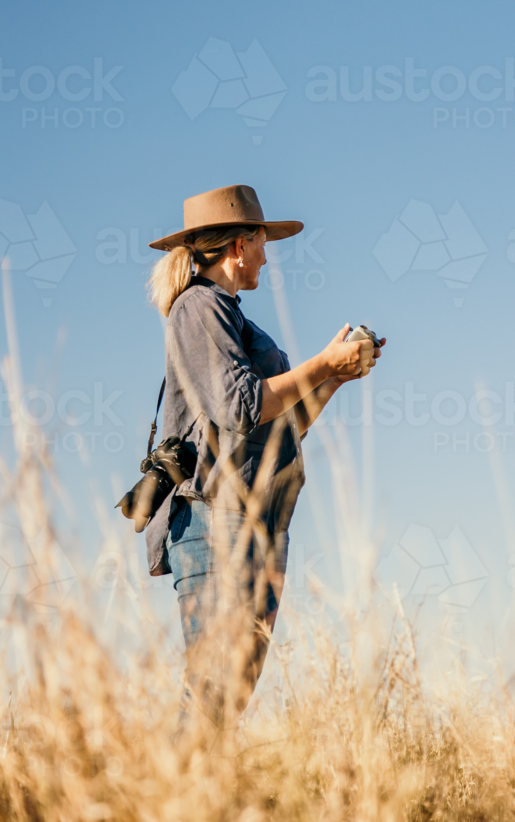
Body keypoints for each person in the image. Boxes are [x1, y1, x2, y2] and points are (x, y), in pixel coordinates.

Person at [144, 184, 384, 726]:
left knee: (229, 695)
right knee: (211, 687)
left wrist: (335, 378)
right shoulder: (198, 307)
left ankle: (196, 801)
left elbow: (285, 423)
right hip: (214, 520)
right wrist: (322, 363)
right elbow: (242, 405)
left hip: (260, 520)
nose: (266, 254)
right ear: (238, 246)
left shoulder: (237, 322)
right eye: (261, 241)